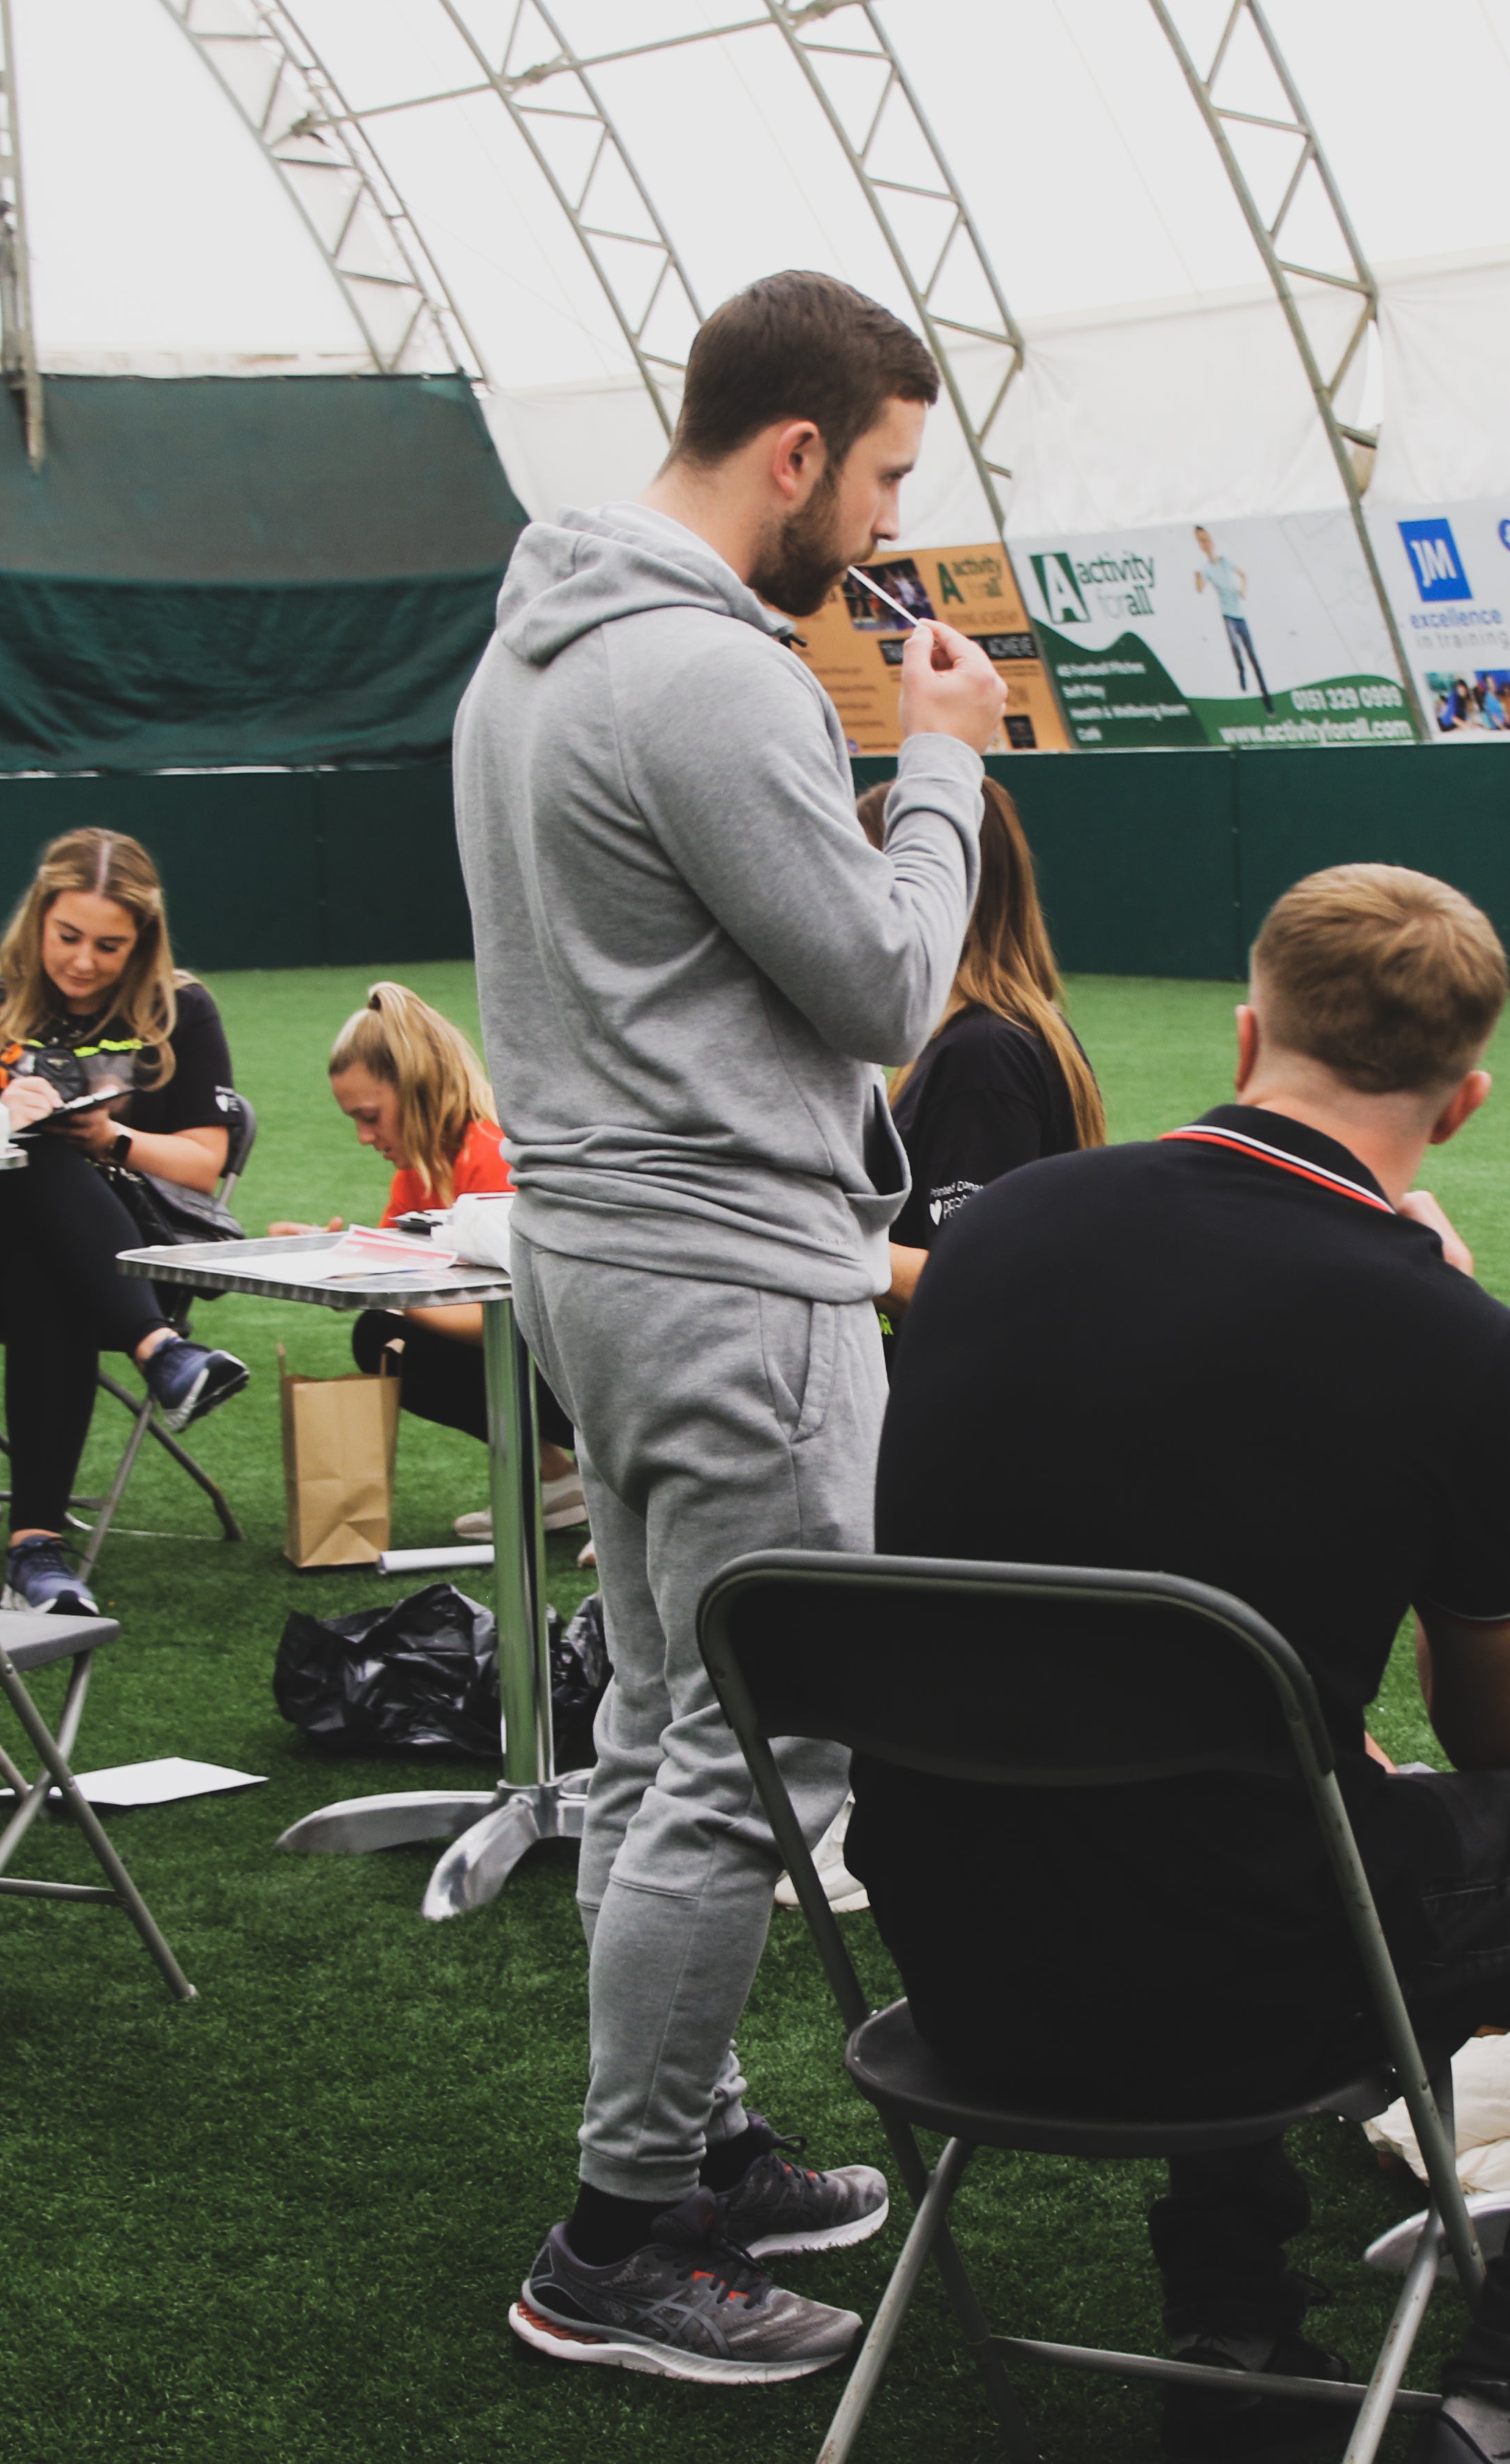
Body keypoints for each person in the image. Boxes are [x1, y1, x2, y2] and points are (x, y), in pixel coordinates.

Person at [863, 865, 1510, 2464]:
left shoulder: (998, 1235)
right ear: (1461, 1109)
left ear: (1248, 1036)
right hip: (1234, 1990)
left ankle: (1224, 2315)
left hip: (950, 1953)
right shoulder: (1450, 1344)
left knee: (1245, 1805)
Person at [460, 269, 1001, 2385]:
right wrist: (941, 769)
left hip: (591, 1253)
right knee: (758, 1736)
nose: (875, 531)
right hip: (725, 1276)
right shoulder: (705, 674)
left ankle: (684, 2143)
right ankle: (618, 2235)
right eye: (876, 480)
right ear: (796, 451)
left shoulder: (532, 647)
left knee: (660, 1714)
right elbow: (881, 990)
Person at [0, 827, 248, 1619]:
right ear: (38, 919)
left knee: (48, 1269)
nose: (85, 961)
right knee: (36, 1151)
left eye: (110, 945)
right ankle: (162, 1353)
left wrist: (111, 1137)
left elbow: (202, 1163)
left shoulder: (178, 1009)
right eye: (69, 937)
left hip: (95, 1268)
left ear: (143, 940)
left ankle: (34, 1555)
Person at [264, 981, 584, 1541]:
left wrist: (374, 1281)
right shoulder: (419, 1172)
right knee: (381, 1335)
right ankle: (556, 1480)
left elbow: (516, 1324)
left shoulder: (491, 1158)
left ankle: (602, 1481)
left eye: (370, 1116)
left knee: (391, 1330)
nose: (365, 1137)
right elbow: (397, 1270)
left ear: (416, 1089)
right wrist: (330, 1252)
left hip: (578, 1368)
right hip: (549, 1361)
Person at [849, 774, 1108, 1313]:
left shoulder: (984, 1055)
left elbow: (974, 1283)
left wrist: (802, 1239)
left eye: (859, 872)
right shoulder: (993, 1034)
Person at [1195, 524, 1269, 696]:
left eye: (1206, 540)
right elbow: (1200, 589)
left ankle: (1266, 695)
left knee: (1252, 655)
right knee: (1236, 649)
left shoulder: (1224, 561)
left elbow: (1243, 575)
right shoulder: (1206, 569)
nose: (1205, 544)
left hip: (1240, 615)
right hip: (1228, 615)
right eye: (1201, 542)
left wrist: (1243, 590)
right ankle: (1241, 673)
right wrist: (1197, 579)